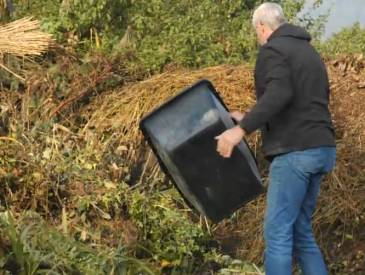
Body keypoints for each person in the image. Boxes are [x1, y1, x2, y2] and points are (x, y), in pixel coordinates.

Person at [215, 2, 336, 275]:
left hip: (296, 153)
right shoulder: (309, 52)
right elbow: (302, 101)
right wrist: (247, 116)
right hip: (322, 148)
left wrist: (240, 129)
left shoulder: (272, 50)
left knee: (277, 234)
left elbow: (280, 93)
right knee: (301, 231)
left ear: (261, 27)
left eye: (255, 31)